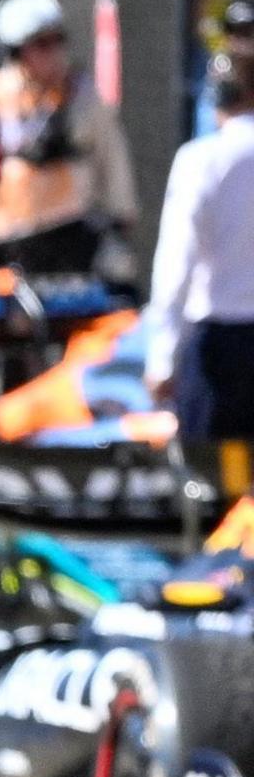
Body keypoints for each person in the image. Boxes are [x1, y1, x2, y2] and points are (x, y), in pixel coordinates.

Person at [145, 52, 254, 503]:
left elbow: (176, 263)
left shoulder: (201, 159)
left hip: (218, 351)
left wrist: (162, 354)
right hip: (220, 343)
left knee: (214, 492)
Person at [0, 0, 137, 276]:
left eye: (58, 41)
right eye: (41, 44)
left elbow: (111, 156)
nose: (54, 53)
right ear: (16, 50)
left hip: (70, 231)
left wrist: (120, 216)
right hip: (8, 235)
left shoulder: (83, 95)